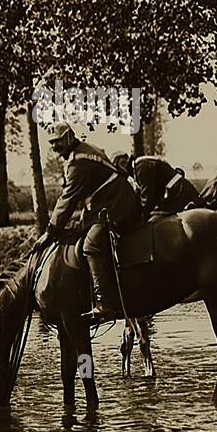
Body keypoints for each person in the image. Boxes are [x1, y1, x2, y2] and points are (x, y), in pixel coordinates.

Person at [39, 123, 142, 323]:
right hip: (107, 201)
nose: (55, 147)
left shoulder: (78, 161)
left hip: (116, 204)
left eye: (58, 142)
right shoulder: (82, 151)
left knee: (91, 245)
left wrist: (50, 232)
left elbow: (67, 199)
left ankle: (104, 304)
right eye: (52, 143)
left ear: (69, 137)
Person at [124, 153, 202, 218]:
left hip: (179, 194)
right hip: (178, 191)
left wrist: (141, 215)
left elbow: (147, 197)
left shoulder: (142, 168)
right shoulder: (143, 164)